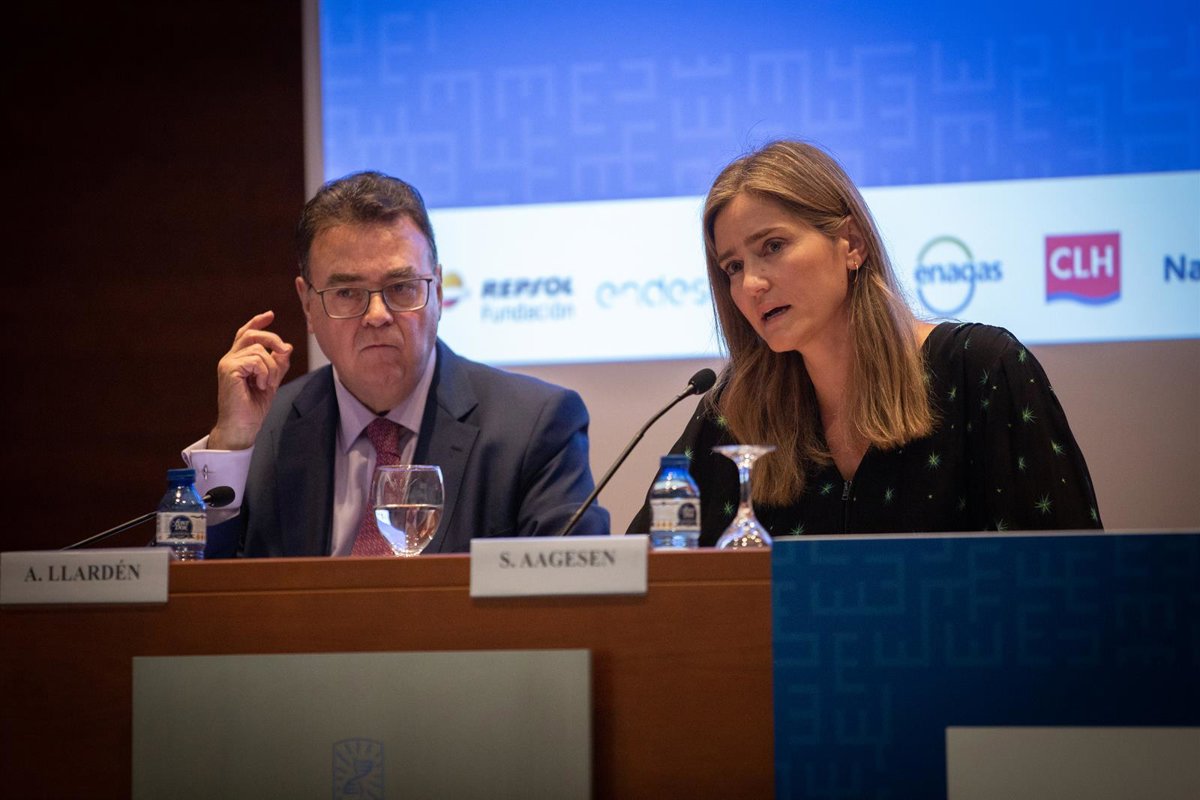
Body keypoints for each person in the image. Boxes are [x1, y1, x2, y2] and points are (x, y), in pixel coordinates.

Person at [629, 141, 1102, 545]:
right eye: (733, 267)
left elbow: (1071, 578)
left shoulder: (981, 371)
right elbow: (644, 574)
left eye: (772, 246)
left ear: (852, 243)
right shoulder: (734, 410)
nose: (751, 284)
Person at [185, 171, 609, 557]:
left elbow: (578, 593)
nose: (377, 315)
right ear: (308, 305)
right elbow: (187, 593)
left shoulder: (533, 428)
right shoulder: (264, 434)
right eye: (347, 293)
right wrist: (231, 447)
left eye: (402, 287)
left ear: (438, 292)